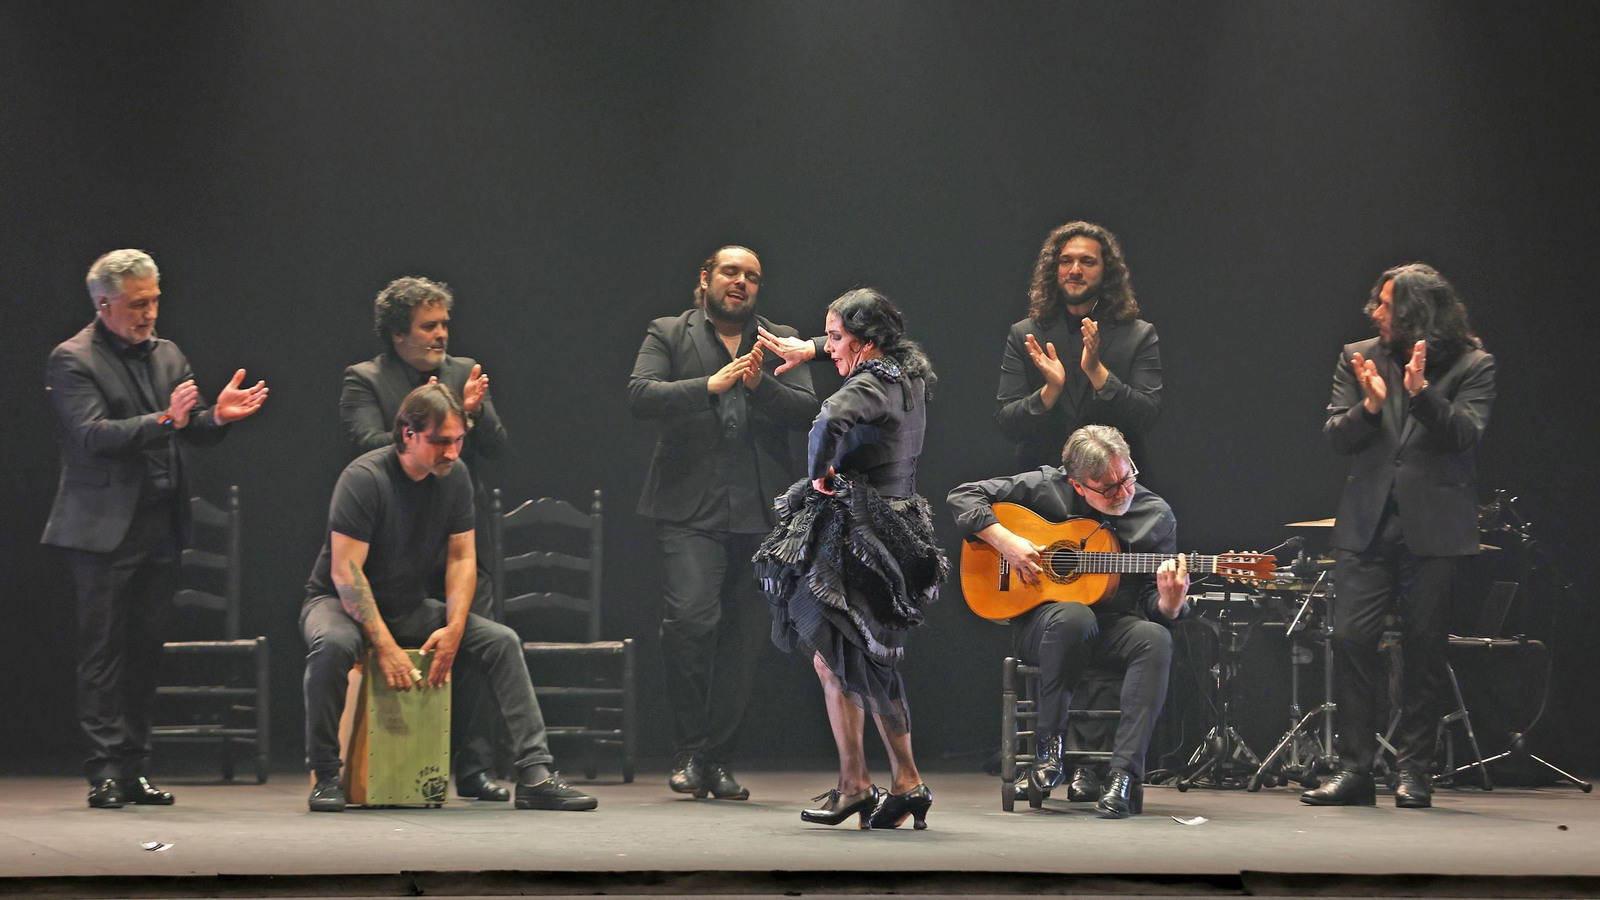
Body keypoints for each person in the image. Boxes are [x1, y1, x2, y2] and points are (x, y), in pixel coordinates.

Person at [299, 383, 596, 813]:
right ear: (407, 434)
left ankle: (534, 772)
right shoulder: (364, 479)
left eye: (459, 441)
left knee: (501, 641)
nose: (452, 452)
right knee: (336, 644)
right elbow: (347, 572)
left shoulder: (454, 477)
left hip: (405, 604)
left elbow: (461, 558)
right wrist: (383, 645)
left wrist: (455, 628)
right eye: (441, 441)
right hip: (335, 601)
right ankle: (327, 773)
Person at [43, 249, 269, 809]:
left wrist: (217, 416)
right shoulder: (72, 359)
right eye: (138, 304)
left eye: (155, 301)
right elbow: (93, 435)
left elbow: (189, 430)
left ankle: (136, 769)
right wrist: (166, 419)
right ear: (104, 303)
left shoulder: (168, 355)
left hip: (161, 524)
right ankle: (103, 772)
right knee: (105, 654)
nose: (150, 313)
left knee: (147, 651)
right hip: (102, 532)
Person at [627, 246, 819, 800]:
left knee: (745, 638)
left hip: (760, 511)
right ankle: (689, 750)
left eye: (752, 277)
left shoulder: (780, 338)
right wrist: (707, 387)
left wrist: (761, 386)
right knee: (690, 620)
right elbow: (639, 395)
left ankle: (719, 760)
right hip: (688, 507)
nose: (741, 282)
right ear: (706, 278)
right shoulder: (669, 331)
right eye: (731, 273)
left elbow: (810, 411)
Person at [1303, 263, 1495, 810]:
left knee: (1423, 649)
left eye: (1386, 304)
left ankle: (1414, 772)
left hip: (1434, 527)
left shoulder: (1473, 364)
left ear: (1415, 311)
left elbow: (1465, 434)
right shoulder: (1358, 356)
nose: (1375, 313)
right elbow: (1336, 437)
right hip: (1368, 524)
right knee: (1350, 638)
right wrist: (1368, 406)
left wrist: (1422, 395)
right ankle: (1355, 770)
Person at [754, 289, 948, 830]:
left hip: (862, 534)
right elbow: (850, 356)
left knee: (837, 657)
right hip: (899, 524)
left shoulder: (867, 384)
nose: (830, 348)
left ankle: (856, 786)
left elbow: (828, 419)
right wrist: (813, 348)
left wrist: (819, 474)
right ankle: (906, 782)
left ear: (865, 342)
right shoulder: (907, 372)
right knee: (870, 658)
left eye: (836, 338)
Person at [947, 425, 1189, 818]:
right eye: (1108, 488)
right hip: (1044, 626)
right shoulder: (1046, 487)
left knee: (1156, 637)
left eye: (1127, 478)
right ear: (1078, 486)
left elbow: (1150, 601)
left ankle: (1122, 777)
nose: (1123, 492)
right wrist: (1007, 542)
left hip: (1114, 628)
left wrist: (1170, 604)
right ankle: (1049, 752)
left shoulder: (1155, 516)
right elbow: (962, 496)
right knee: (1074, 617)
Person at [339, 276, 510, 802]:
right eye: (428, 326)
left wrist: (473, 413)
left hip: (459, 535)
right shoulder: (365, 379)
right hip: (396, 542)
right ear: (398, 334)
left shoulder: (462, 372)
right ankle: (401, 760)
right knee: (411, 646)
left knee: (474, 644)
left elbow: (499, 446)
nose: (441, 335)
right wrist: (438, 417)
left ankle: (475, 766)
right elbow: (369, 443)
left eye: (444, 325)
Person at [996, 222, 1161, 471]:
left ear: (1107, 271)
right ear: (1055, 269)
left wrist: (1098, 374)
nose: (1074, 270)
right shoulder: (1025, 333)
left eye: (1087, 261)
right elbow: (1008, 424)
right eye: (1065, 261)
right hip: (1042, 489)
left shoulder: (1139, 334)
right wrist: (1050, 390)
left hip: (1114, 489)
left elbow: (1147, 418)